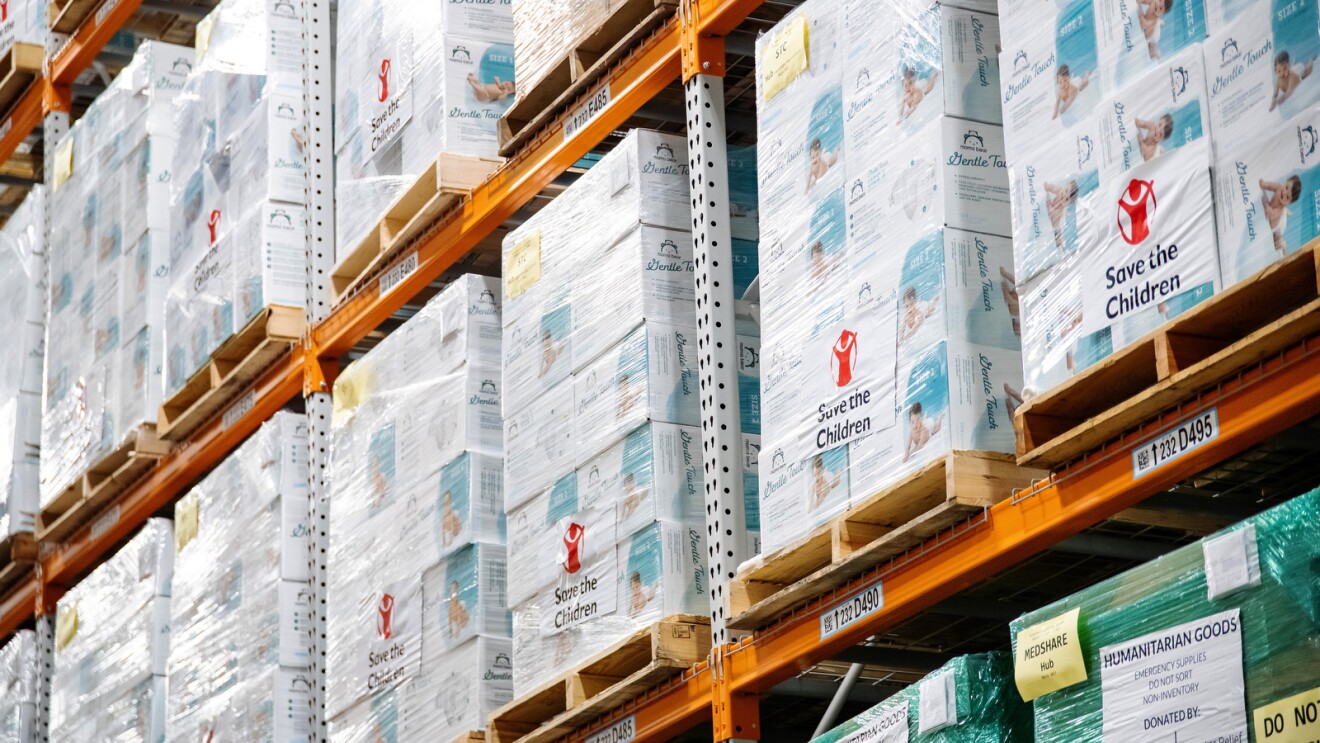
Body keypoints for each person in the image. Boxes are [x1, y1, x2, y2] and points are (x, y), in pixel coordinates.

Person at [1260, 175, 1303, 253]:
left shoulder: (1279, 210)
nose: (1284, 193)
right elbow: (1270, 185)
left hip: (1278, 224)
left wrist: (1268, 209)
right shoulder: (1278, 187)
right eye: (1286, 187)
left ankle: (1283, 245)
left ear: (1289, 202)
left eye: (1287, 196)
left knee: (1277, 242)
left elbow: (1272, 219)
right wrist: (1264, 184)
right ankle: (1286, 212)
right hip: (1278, 212)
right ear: (1286, 182)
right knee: (1281, 210)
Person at [1045, 180, 1080, 253]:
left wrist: (1048, 201)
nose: (1064, 196)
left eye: (1067, 199)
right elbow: (1051, 187)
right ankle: (1062, 249)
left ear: (1068, 204)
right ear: (1065, 187)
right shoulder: (1060, 190)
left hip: (1056, 229)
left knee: (1059, 241)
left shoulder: (1059, 211)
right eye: (1066, 190)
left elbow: (1050, 212)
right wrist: (1047, 187)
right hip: (1055, 224)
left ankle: (1063, 250)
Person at [1000, 266, 1021, 337]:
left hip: (1014, 310)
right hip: (1015, 307)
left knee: (1013, 304)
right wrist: (1004, 274)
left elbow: (1008, 297)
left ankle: (1004, 277)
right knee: (1018, 284)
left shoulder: (1014, 309)